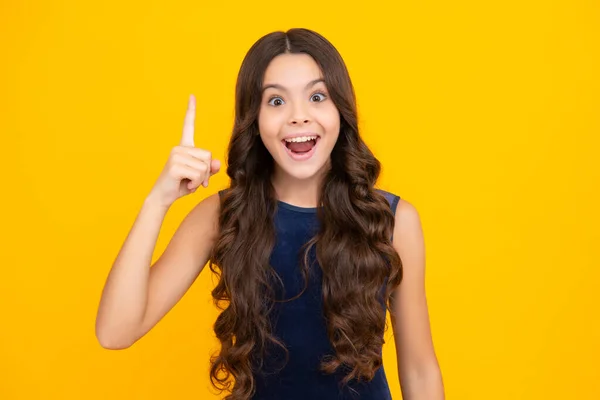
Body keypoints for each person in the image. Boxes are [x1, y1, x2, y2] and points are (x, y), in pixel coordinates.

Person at [95, 28, 444, 400]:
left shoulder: (393, 220)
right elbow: (115, 332)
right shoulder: (221, 216)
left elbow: (420, 369)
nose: (298, 117)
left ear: (340, 109)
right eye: (276, 102)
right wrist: (157, 201)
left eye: (316, 96)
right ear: (254, 119)